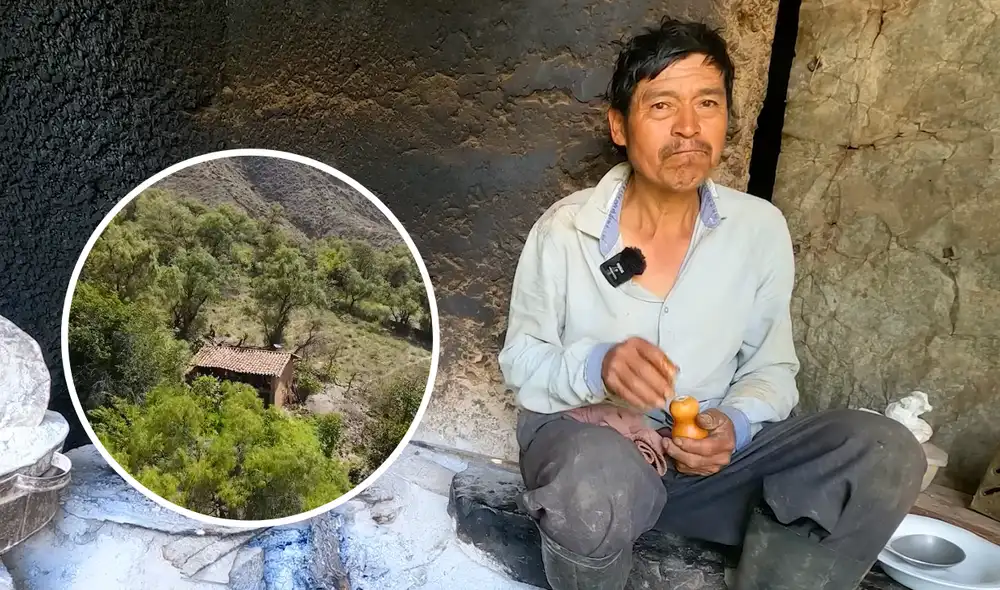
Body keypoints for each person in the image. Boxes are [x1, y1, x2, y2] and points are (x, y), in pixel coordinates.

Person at [497, 16, 926, 590]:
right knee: (588, 483)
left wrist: (734, 424)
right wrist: (596, 365)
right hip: (598, 454)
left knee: (882, 450)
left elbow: (772, 370)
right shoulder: (564, 229)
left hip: (715, 472)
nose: (688, 129)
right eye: (661, 107)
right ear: (619, 126)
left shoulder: (759, 229)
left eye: (707, 103)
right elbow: (522, 363)